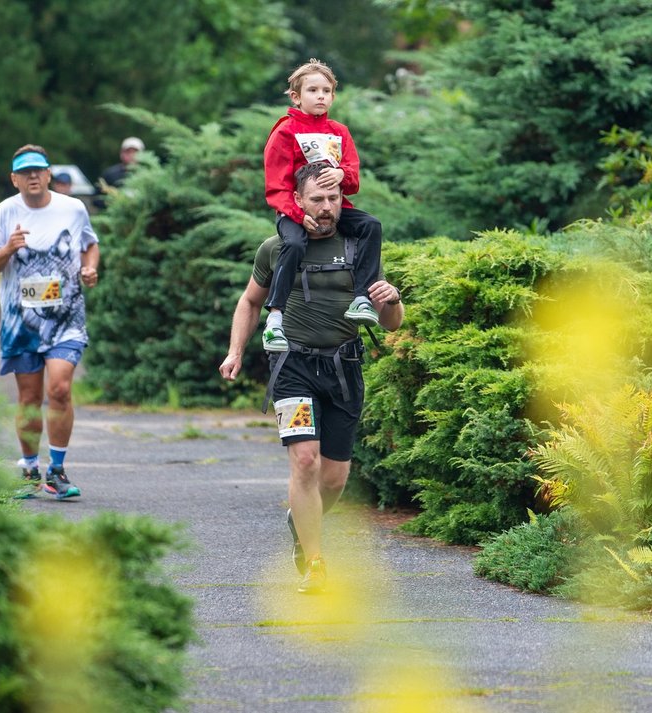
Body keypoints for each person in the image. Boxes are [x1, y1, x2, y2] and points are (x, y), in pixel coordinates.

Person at [219, 163, 404, 594]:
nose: (325, 207)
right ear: (298, 200)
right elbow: (250, 302)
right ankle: (314, 563)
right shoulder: (277, 247)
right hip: (292, 368)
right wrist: (235, 351)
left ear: (342, 200)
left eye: (333, 198)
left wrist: (393, 299)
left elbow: (391, 323)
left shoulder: (358, 245)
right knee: (305, 461)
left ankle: (299, 518)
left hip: (344, 369)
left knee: (334, 479)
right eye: (316, 199)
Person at [0, 144, 100, 500]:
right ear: (14, 179)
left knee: (59, 389)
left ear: (48, 175)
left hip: (67, 317)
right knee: (29, 397)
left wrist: (90, 268)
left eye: (38, 171)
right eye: (24, 172)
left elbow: (90, 245)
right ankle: (30, 469)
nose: (32, 177)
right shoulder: (3, 213)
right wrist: (8, 249)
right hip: (21, 321)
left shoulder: (72, 208)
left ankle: (56, 471)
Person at [261, 58, 383, 354]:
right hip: (294, 211)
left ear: (333, 96)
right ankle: (275, 318)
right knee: (293, 243)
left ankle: (361, 299)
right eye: (313, 90)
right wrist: (297, 214)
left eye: (326, 91)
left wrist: (342, 174)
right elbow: (275, 187)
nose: (320, 96)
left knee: (371, 225)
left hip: (334, 209)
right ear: (296, 96)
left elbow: (353, 181)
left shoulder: (339, 131)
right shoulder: (285, 132)